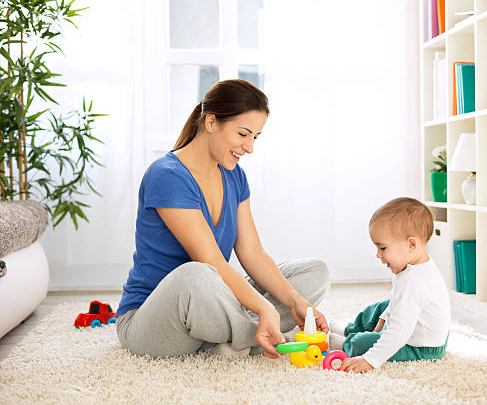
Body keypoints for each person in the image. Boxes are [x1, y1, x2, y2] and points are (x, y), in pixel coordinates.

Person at [116, 79, 330, 359]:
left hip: (211, 304)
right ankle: (272, 337)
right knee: (196, 274)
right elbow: (211, 260)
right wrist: (265, 308)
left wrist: (297, 303)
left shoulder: (234, 175)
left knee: (315, 272)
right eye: (243, 134)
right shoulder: (167, 175)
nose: (249, 147)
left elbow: (252, 252)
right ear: (211, 122)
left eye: (255, 136)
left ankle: (236, 335)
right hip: (153, 321)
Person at [327, 197, 450, 373]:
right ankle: (350, 329)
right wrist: (383, 320)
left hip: (420, 347)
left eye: (383, 248)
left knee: (363, 343)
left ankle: (346, 341)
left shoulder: (414, 281)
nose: (378, 255)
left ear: (411, 245)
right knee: (381, 307)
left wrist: (368, 361)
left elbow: (399, 334)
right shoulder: (415, 266)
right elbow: (395, 302)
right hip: (416, 327)